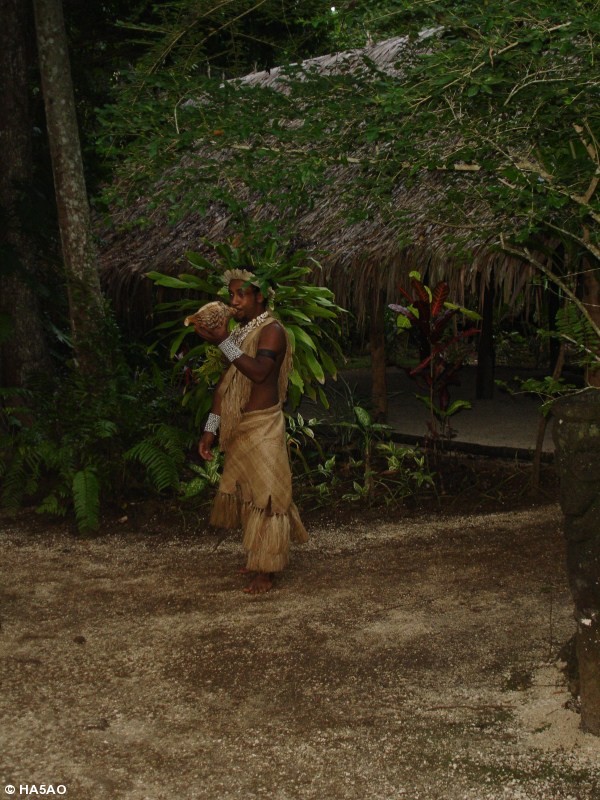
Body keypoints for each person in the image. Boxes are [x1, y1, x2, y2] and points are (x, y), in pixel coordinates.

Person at [193, 268, 308, 594]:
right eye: (231, 295)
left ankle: (267, 569)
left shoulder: (272, 331)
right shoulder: (243, 332)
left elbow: (259, 373)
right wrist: (210, 429)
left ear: (260, 295)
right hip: (240, 428)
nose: (234, 301)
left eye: (240, 294)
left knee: (267, 497)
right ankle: (258, 556)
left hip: (264, 425)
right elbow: (225, 386)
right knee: (248, 494)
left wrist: (222, 341)